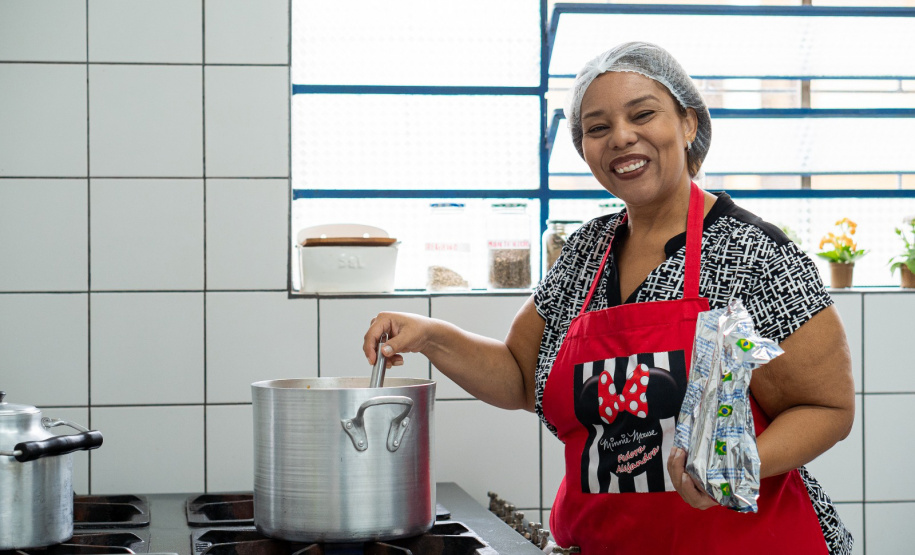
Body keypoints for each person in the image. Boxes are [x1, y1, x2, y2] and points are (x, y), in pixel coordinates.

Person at [363, 42, 855, 554]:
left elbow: (826, 407)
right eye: (597, 128)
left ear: (688, 123)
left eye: (643, 114)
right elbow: (519, 376)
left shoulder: (753, 253)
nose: (621, 137)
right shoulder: (583, 254)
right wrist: (431, 336)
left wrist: (731, 465)